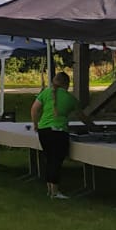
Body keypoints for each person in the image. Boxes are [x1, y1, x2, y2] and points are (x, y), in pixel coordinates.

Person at [30, 71, 93, 199]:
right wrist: (92, 125)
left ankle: (49, 189)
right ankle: (55, 191)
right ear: (67, 84)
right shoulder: (70, 99)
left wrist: (35, 124)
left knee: (49, 159)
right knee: (56, 161)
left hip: (43, 130)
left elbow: (34, 109)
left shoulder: (45, 93)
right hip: (59, 131)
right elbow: (81, 116)